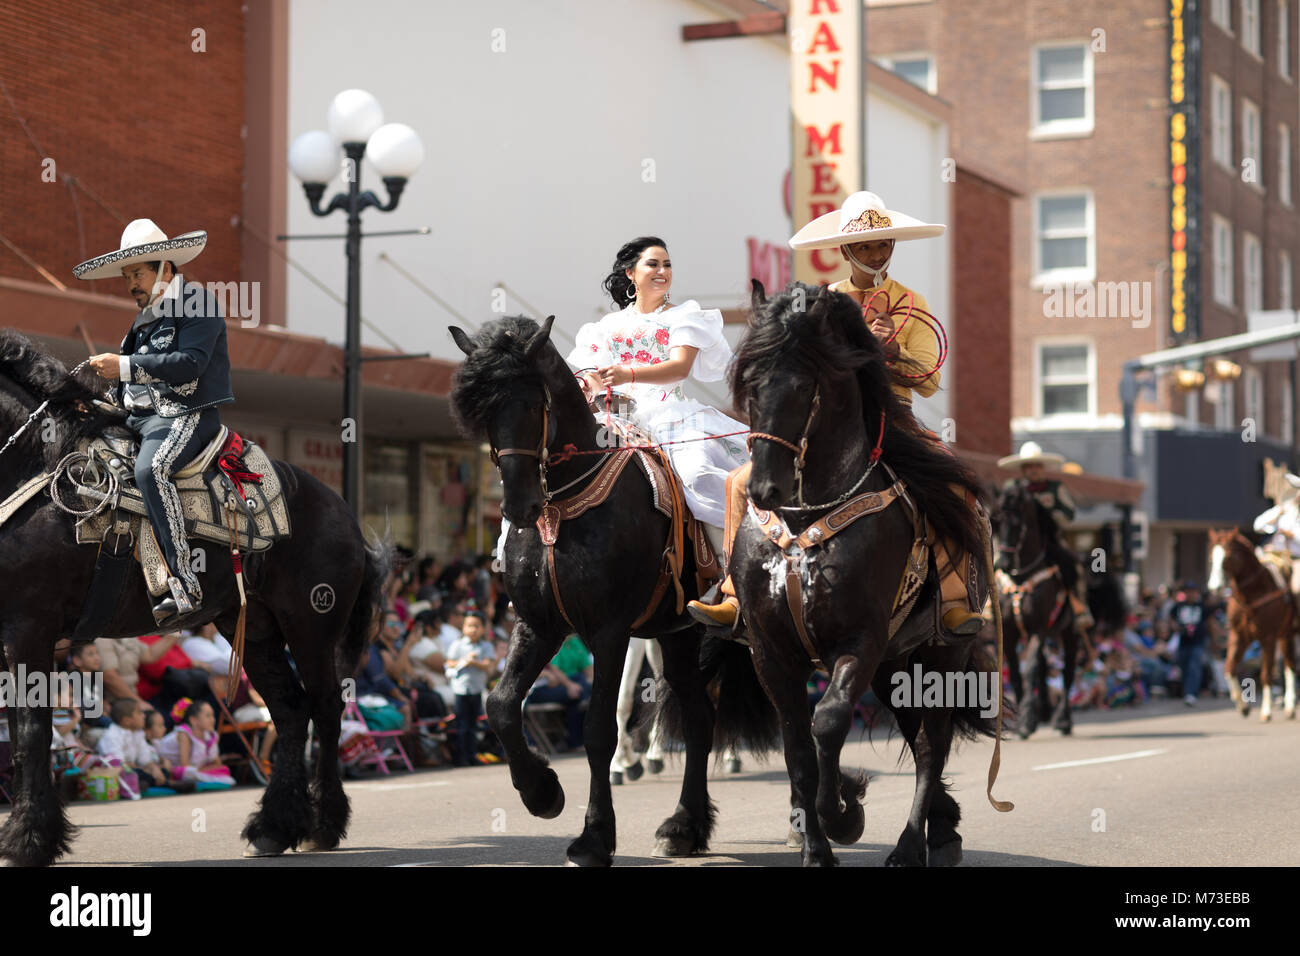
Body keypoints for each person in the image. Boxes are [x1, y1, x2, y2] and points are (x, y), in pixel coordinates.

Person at [690, 192, 984, 637]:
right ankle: (734, 592)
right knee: (736, 482)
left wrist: (894, 352)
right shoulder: (820, 304)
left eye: (882, 243)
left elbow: (927, 379)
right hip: (828, 422)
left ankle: (955, 598)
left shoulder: (913, 302)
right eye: (864, 246)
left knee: (954, 486)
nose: (875, 253)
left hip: (894, 418)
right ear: (845, 251)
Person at [74, 219, 236, 624]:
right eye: (127, 276)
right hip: (139, 419)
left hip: (186, 415)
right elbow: (131, 386)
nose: (131, 283)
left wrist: (124, 365)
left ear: (166, 267)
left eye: (138, 273)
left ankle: (184, 583)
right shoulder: (143, 320)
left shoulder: (198, 304)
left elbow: (190, 365)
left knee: (152, 469)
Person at [567, 235, 748, 555]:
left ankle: (730, 569)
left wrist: (628, 374)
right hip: (616, 415)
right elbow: (587, 371)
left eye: (667, 264)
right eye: (653, 263)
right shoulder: (606, 326)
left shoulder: (684, 316)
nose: (662, 270)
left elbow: (679, 367)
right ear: (630, 273)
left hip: (671, 416)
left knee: (698, 473)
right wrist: (595, 387)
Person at [996, 441, 1095, 633]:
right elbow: (1002, 512)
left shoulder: (1055, 488)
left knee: (1074, 566)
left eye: (1037, 466)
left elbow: (1069, 514)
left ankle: (1079, 607)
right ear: (1022, 469)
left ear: (1042, 468)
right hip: (1017, 542)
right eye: (1029, 467)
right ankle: (988, 607)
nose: (1033, 470)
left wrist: (1048, 514)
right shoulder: (1012, 487)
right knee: (994, 564)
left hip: (1050, 541)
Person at [444, 611, 496, 766]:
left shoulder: (485, 646)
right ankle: (460, 757)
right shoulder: (458, 645)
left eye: (477, 626)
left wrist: (473, 662)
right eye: (469, 626)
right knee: (461, 724)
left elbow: (488, 665)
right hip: (461, 689)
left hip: (476, 689)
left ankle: (472, 755)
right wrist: (463, 661)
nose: (473, 629)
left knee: (473, 724)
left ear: (483, 628)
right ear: (463, 628)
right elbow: (449, 663)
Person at [526, 634, 594, 752]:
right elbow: (553, 670)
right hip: (537, 689)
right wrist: (549, 676)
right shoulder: (544, 642)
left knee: (576, 696)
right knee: (576, 695)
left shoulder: (574, 641)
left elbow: (587, 667)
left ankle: (576, 742)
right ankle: (585, 696)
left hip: (564, 684)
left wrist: (588, 683)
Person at [155, 698, 233, 786]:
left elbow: (217, 762)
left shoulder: (210, 735)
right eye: (208, 716)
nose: (213, 719)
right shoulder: (184, 734)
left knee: (224, 769)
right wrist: (204, 770)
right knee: (187, 772)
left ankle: (202, 778)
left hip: (197, 769)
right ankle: (202, 779)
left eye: (213, 715)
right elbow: (184, 765)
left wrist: (204, 769)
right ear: (193, 720)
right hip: (172, 768)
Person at [1169, 581, 1222, 705]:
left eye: (1192, 592)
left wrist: (1214, 640)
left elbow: (1210, 623)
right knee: (1183, 665)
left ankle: (1191, 693)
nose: (1190, 594)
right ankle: (1186, 690)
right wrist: (1175, 627)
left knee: (1194, 665)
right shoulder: (1178, 606)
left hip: (1197, 641)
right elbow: (1171, 618)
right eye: (1187, 592)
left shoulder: (1202, 607)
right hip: (1183, 641)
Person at [1251, 472, 1300, 597]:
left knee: (1297, 588)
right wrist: (1279, 511)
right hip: (1274, 558)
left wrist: (1291, 535)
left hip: (1295, 561)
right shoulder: (1282, 512)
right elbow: (1258, 525)